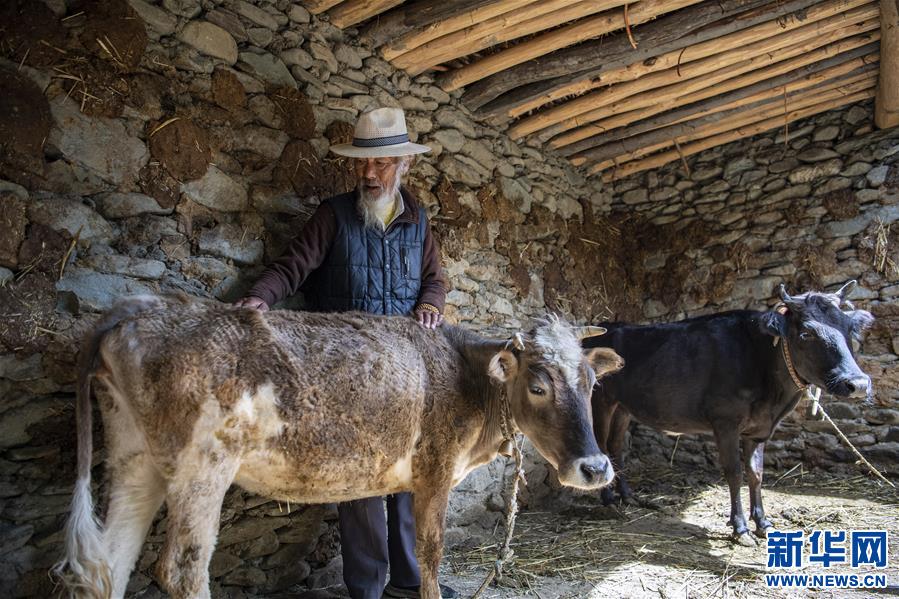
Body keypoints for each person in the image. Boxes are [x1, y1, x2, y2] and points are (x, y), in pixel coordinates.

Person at [235, 107, 456, 599]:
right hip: (348, 372)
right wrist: (261, 298)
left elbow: (436, 279)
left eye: (380, 164)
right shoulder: (333, 215)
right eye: (362, 163)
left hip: (405, 371)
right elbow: (294, 266)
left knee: (409, 480)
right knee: (359, 485)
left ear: (404, 165)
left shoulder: (418, 220)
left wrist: (429, 303)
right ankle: (368, 590)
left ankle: (410, 582)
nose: (368, 173)